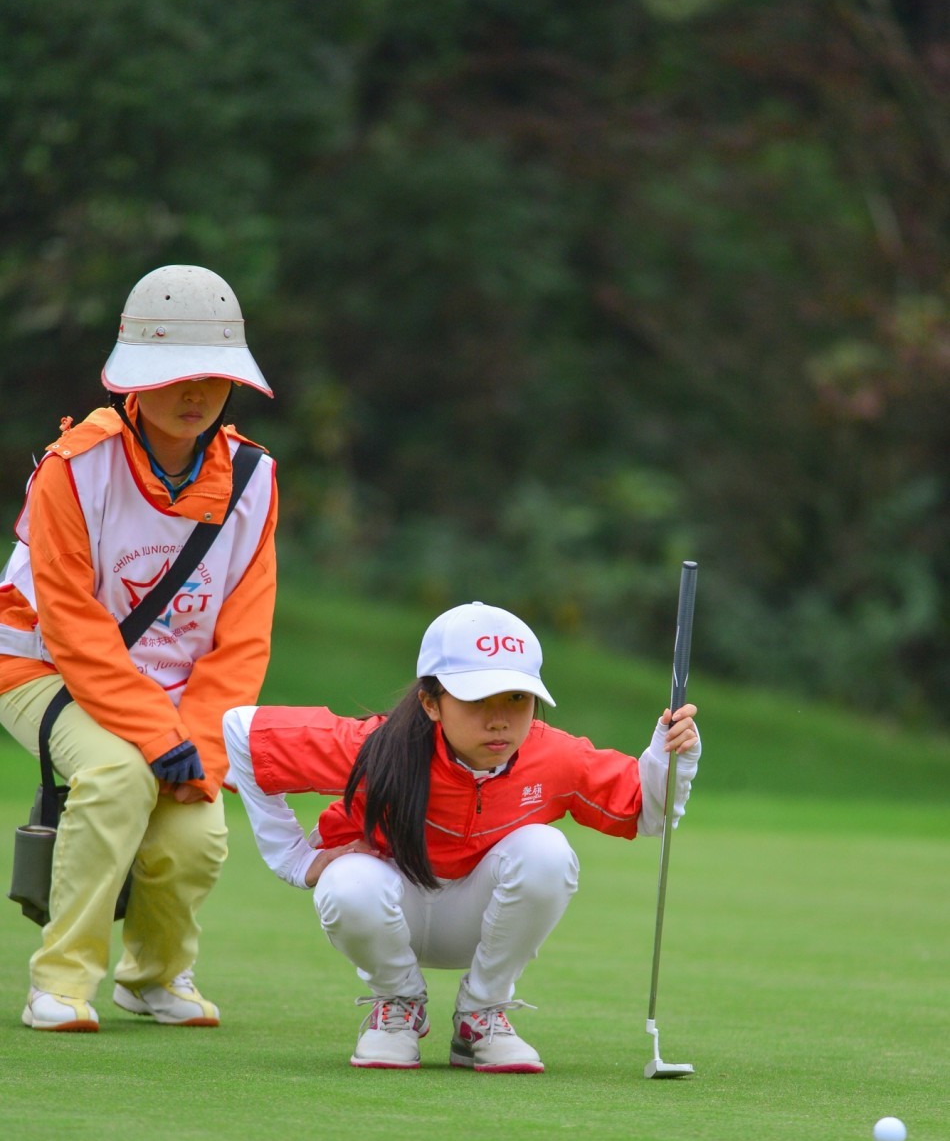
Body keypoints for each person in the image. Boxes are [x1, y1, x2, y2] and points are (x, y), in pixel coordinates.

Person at [223, 601, 700, 1073]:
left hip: (483, 919)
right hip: (388, 911)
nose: (499, 720)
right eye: (477, 700)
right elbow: (242, 730)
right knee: (346, 882)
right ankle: (398, 1007)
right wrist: (294, 859)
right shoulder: (375, 747)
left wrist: (669, 756)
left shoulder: (554, 755)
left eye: (517, 698)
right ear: (431, 703)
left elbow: (646, 814)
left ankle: (481, 1015)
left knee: (548, 852)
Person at [0, 264, 279, 1033]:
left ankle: (154, 977)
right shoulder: (75, 467)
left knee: (198, 830)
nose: (196, 393)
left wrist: (201, 752)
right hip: (38, 666)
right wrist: (158, 739)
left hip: (174, 694)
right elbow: (69, 623)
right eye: (176, 374)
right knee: (119, 775)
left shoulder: (254, 478)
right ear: (136, 378)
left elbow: (243, 635)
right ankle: (59, 982)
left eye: (213, 377)